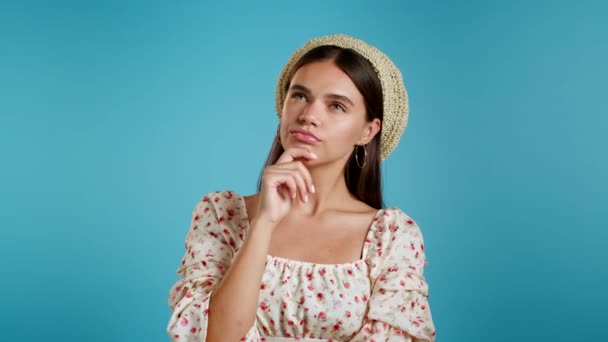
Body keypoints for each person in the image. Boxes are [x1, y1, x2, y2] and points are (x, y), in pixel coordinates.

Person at [166, 34, 436, 341]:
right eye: (299, 96)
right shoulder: (220, 215)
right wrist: (264, 223)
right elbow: (214, 337)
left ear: (367, 130)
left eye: (336, 106)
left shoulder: (392, 237)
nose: (308, 116)